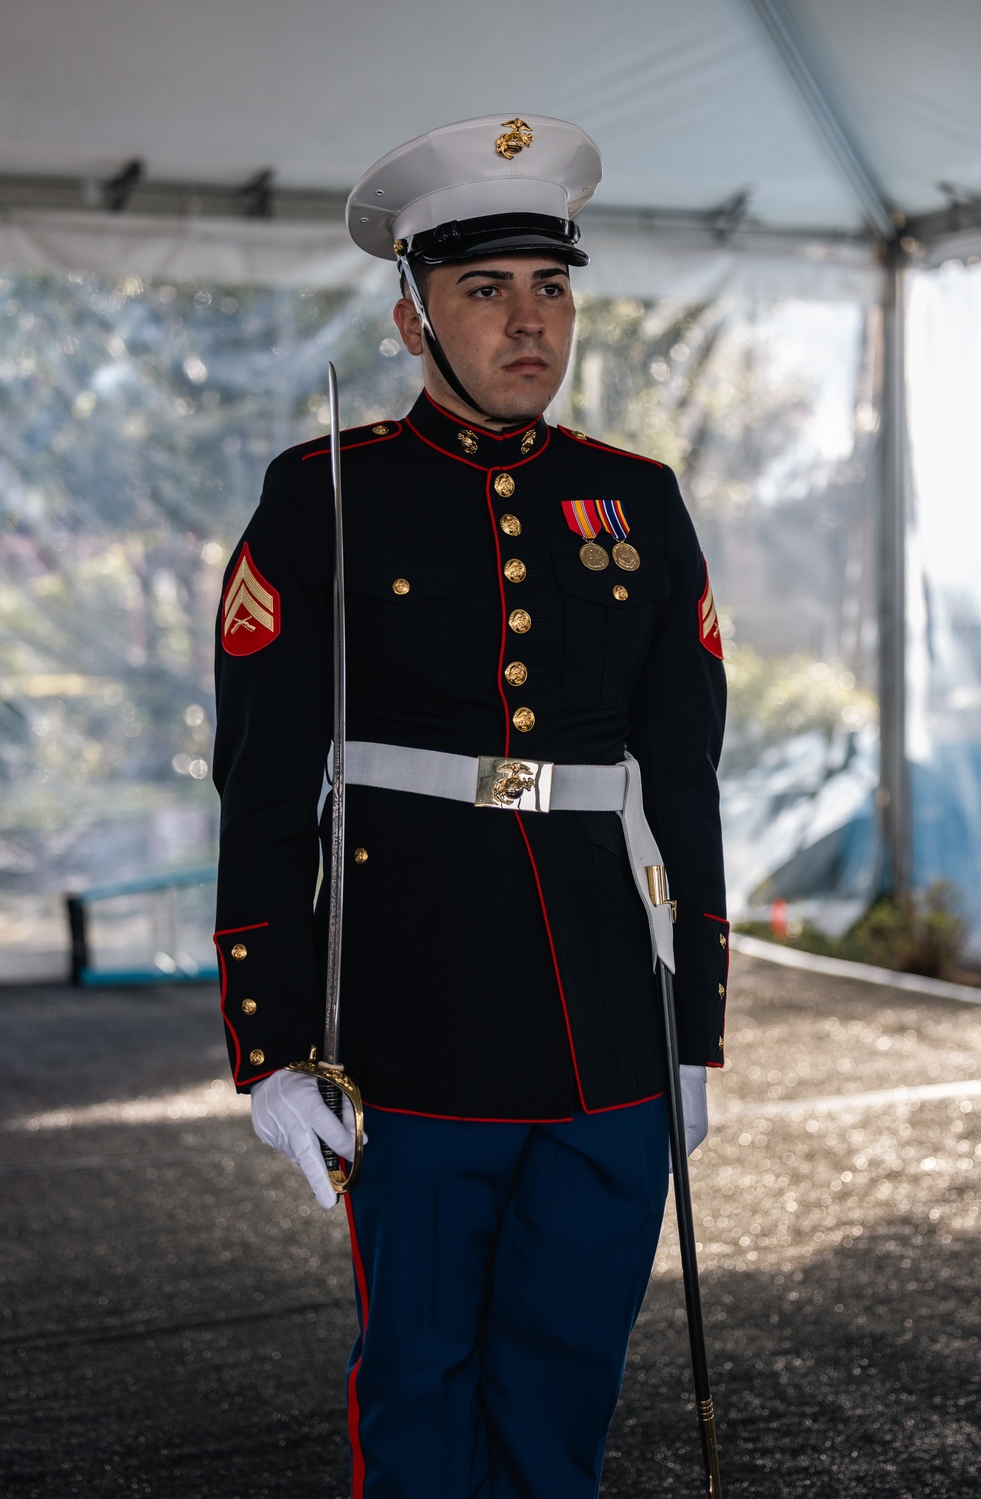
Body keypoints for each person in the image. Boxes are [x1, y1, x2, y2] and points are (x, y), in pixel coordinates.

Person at [212, 113, 729, 1499]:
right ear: (411, 319)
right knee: (423, 1381)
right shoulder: (323, 495)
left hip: (608, 1031)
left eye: (551, 288)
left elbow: (683, 780)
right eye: (486, 290)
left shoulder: (637, 502)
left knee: (566, 1380)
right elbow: (262, 785)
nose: (528, 324)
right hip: (410, 1024)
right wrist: (268, 1042)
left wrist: (698, 1029)